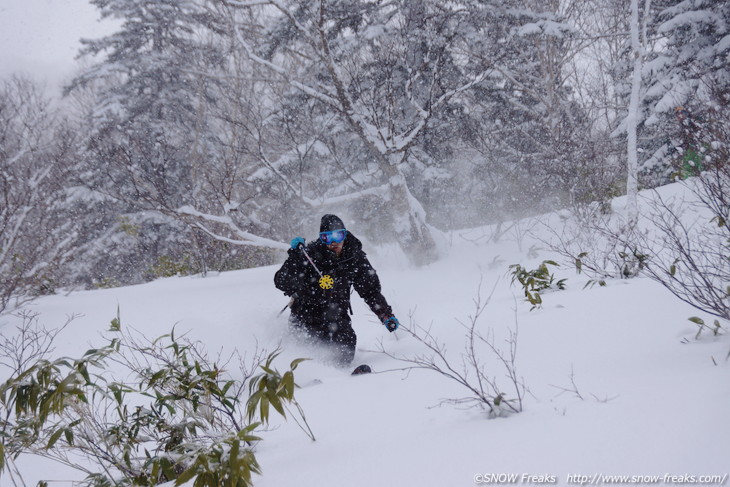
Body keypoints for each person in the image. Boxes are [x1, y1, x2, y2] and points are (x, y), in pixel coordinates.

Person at [274, 214, 399, 366]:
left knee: (344, 353)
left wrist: (385, 314)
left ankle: (337, 379)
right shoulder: (309, 255)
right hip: (304, 314)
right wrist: (295, 257)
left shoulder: (354, 257)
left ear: (345, 234)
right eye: (327, 238)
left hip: (336, 315)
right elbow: (281, 281)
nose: (334, 242)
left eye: (338, 236)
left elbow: (370, 290)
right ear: (321, 238)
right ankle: (307, 378)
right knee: (305, 355)